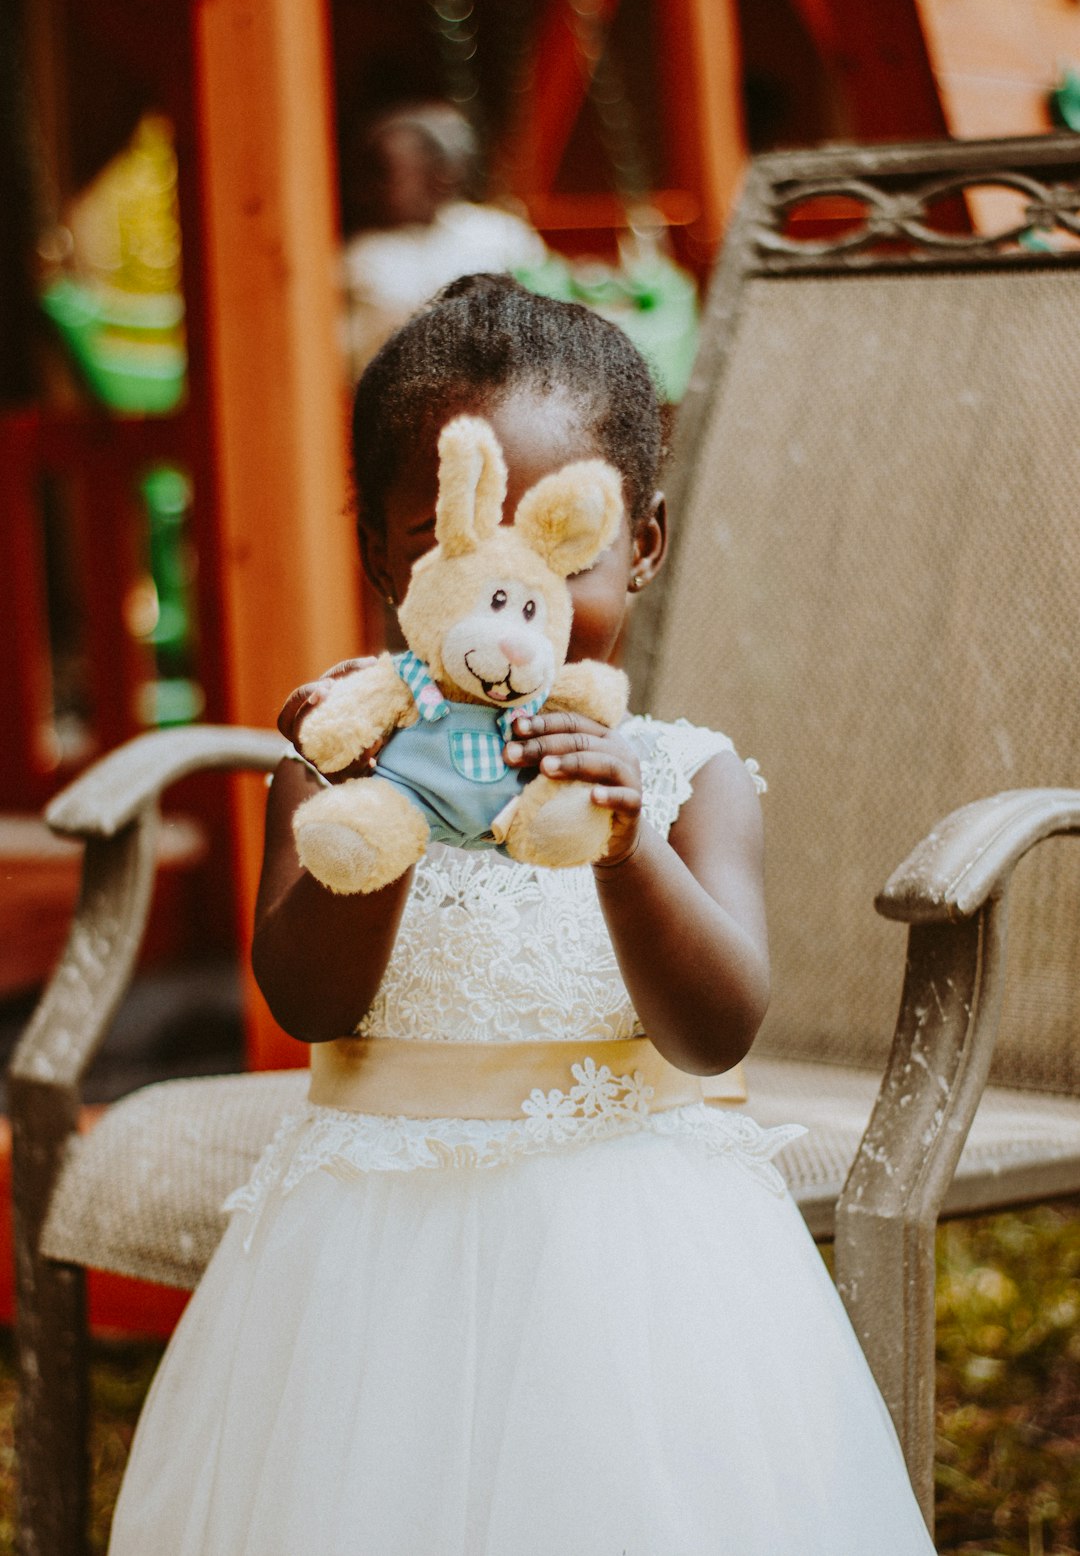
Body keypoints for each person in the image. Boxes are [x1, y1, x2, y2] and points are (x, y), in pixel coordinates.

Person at [108, 275, 936, 1555]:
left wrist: (627, 850)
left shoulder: (686, 773)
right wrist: (369, 805)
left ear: (643, 545)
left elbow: (716, 1031)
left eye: (561, 553)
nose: (506, 604)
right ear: (387, 554)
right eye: (452, 551)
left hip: (637, 1254)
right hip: (373, 1252)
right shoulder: (332, 771)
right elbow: (309, 1002)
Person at [341, 103, 546, 380]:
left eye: (387, 173)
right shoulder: (358, 258)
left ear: (439, 176)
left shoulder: (498, 235)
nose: (371, 188)